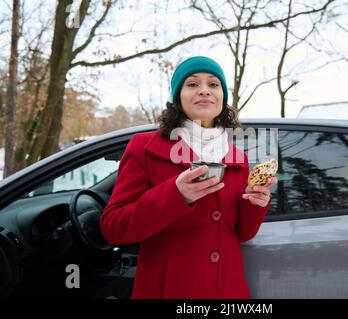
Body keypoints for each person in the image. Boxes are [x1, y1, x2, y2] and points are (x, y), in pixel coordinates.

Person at [100, 56, 277, 299]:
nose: (204, 90)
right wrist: (175, 195)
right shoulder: (144, 147)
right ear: (178, 97)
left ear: (222, 97)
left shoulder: (237, 158)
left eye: (213, 85)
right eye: (192, 84)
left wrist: (255, 204)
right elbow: (114, 227)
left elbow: (243, 233)